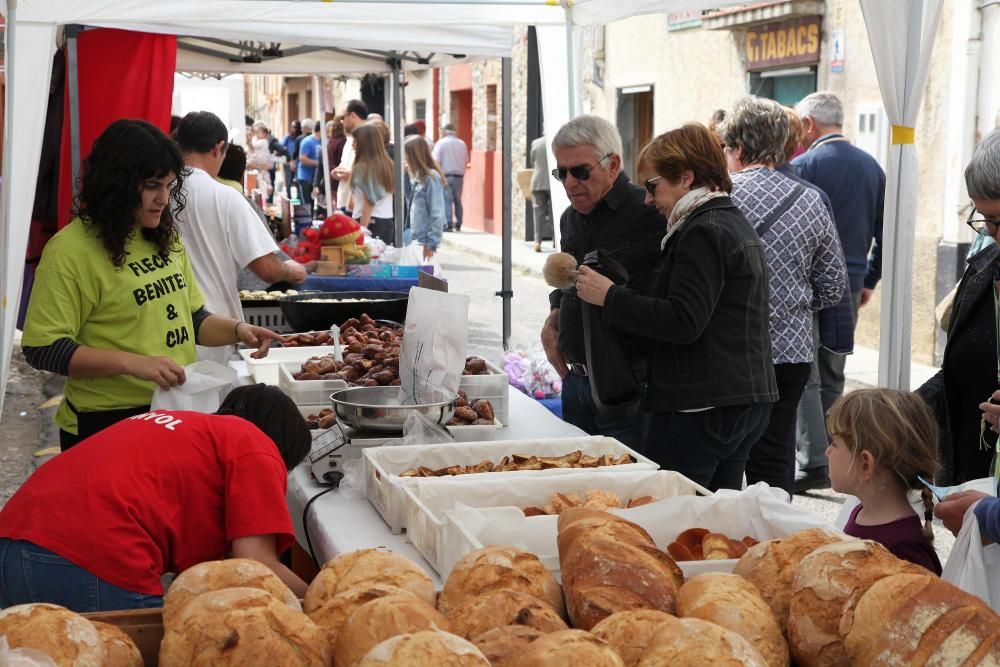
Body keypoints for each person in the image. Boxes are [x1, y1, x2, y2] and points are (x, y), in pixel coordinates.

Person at [20, 119, 283, 449]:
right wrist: (133, 363)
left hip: (174, 410)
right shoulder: (70, 252)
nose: (163, 199)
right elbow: (43, 348)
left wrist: (238, 329)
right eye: (152, 186)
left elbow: (193, 318)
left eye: (170, 186)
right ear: (116, 184)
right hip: (105, 423)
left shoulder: (165, 237)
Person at [575, 122, 778, 491]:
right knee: (714, 518)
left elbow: (684, 319)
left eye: (653, 186)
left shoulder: (703, 230)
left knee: (676, 513)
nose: (648, 199)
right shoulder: (726, 221)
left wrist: (610, 296)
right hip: (736, 399)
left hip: (703, 405)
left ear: (686, 178)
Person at [0, 384, 312, 612]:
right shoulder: (253, 443)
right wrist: (320, 601)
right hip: (92, 556)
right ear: (280, 448)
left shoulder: (182, 427)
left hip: (11, 538)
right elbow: (255, 561)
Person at [722, 96, 847, 496]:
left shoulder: (720, 197)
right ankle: (773, 537)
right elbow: (832, 286)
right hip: (790, 352)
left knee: (723, 454)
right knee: (775, 455)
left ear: (738, 147)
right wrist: (791, 302)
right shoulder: (811, 199)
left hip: (727, 350)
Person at [540, 115, 669, 454]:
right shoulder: (570, 217)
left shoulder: (649, 212)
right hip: (576, 378)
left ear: (613, 164)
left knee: (626, 490)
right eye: (561, 172)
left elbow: (667, 302)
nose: (569, 182)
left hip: (628, 380)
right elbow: (568, 277)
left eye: (580, 171)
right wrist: (554, 314)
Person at [792, 92, 886, 493]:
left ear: (810, 124)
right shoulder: (873, 167)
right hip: (849, 283)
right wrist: (869, 279)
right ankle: (837, 449)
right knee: (833, 373)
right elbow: (886, 231)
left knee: (808, 375)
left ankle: (814, 459)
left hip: (810, 284)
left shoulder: (805, 165)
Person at [174, 112, 305, 366]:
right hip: (214, 327)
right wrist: (292, 269)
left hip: (166, 326)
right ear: (218, 148)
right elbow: (266, 269)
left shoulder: (157, 191)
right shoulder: (225, 197)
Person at [918, 128, 1000, 485]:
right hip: (974, 481)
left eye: (998, 219)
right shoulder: (984, 269)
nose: (991, 232)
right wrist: (901, 409)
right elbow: (958, 373)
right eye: (983, 219)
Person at [825, 388, 942, 574]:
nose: (827, 452)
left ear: (866, 464)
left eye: (834, 444)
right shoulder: (861, 512)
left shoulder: (906, 549)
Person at [350, 122, 395, 244]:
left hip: (370, 221)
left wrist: (362, 228)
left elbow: (369, 201)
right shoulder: (387, 164)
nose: (353, 145)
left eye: (355, 141)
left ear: (364, 143)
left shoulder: (363, 167)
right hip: (386, 220)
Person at [404, 134, 446, 260]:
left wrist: (432, 242)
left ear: (413, 155)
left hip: (423, 240)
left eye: (405, 153)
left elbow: (437, 211)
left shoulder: (430, 177)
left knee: (422, 277)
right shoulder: (413, 175)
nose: (404, 157)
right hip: (411, 237)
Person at [334, 99, 370, 213]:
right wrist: (337, 172)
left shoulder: (371, 138)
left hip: (361, 207)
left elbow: (376, 172)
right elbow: (344, 165)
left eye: (342, 117)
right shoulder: (349, 140)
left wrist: (351, 175)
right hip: (346, 203)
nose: (341, 121)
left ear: (353, 115)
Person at [433, 123, 469, 232]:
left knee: (447, 200)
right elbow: (466, 160)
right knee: (458, 200)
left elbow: (436, 160)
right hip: (459, 176)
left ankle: (448, 223)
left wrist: (439, 175)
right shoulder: (462, 143)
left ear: (445, 131)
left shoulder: (441, 143)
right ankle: (459, 223)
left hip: (446, 175)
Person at [530, 135, 554, 253]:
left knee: (538, 213)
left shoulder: (536, 142)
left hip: (538, 180)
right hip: (553, 181)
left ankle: (537, 242)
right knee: (554, 212)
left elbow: (532, 160)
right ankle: (556, 239)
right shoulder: (556, 142)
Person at [296, 120, 321, 212]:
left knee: (314, 202)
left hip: (316, 178)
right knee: (306, 203)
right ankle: (305, 223)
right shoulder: (307, 141)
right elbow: (303, 159)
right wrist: (318, 163)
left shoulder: (323, 141)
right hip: (305, 177)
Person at [247, 121, 275, 195]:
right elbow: (248, 163)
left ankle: (269, 186)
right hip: (252, 182)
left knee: (265, 175)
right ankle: (268, 186)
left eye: (257, 133)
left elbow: (269, 165)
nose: (256, 135)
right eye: (255, 133)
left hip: (262, 162)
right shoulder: (250, 147)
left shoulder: (262, 142)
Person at [281, 120, 301, 197]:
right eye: (292, 127)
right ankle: (289, 196)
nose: (293, 129)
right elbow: (282, 147)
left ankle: (299, 196)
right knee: (288, 181)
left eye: (295, 127)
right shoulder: (288, 137)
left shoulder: (300, 138)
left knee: (297, 181)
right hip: (288, 161)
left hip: (298, 162)